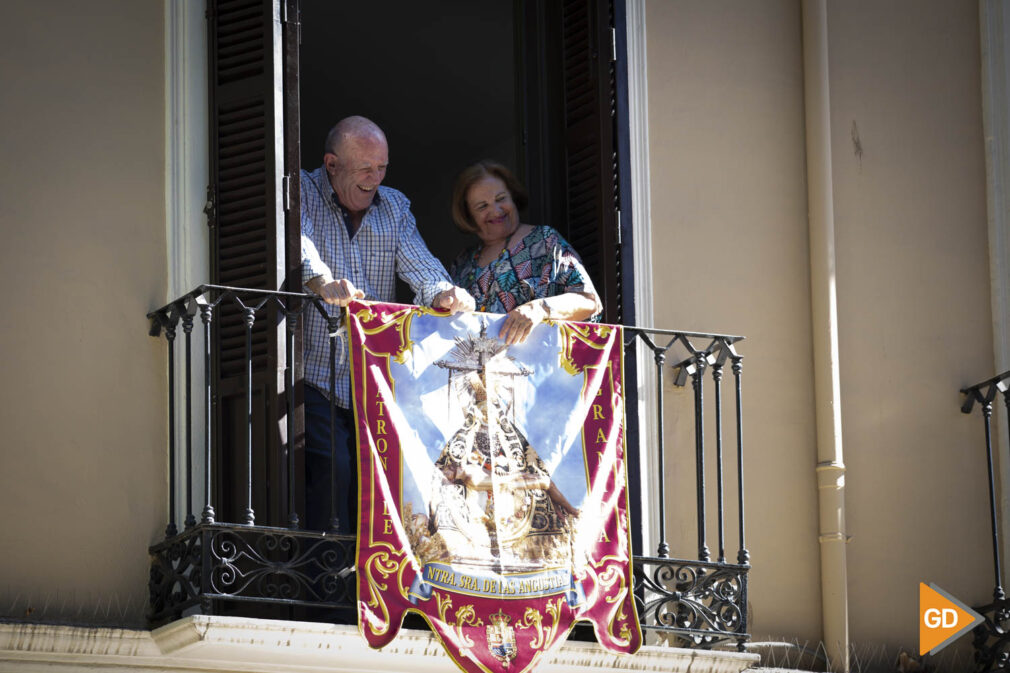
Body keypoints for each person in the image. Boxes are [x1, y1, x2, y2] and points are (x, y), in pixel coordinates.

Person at [301, 116, 474, 533]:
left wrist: (444, 294)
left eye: (381, 168)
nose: (374, 178)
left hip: (372, 380)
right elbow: (299, 243)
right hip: (313, 375)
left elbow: (420, 264)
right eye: (364, 168)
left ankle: (368, 591)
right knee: (332, 473)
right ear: (331, 163)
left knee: (378, 485)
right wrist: (323, 281)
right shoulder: (302, 190)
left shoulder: (394, 205)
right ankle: (324, 591)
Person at [448, 161, 603, 345]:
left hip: (535, 368)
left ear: (513, 197)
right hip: (474, 370)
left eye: (501, 199)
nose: (495, 210)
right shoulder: (463, 263)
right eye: (482, 206)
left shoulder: (544, 241)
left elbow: (590, 302)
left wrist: (539, 309)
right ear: (468, 214)